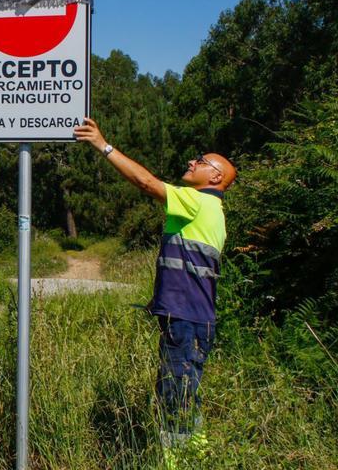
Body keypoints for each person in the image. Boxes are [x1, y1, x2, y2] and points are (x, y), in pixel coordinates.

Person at [73, 118, 237, 446]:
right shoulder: (211, 210)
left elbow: (147, 183)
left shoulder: (200, 201)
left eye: (201, 161)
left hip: (187, 321)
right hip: (189, 318)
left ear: (216, 177)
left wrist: (103, 146)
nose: (192, 162)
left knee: (175, 397)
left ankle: (179, 459)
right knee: (184, 393)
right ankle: (195, 454)